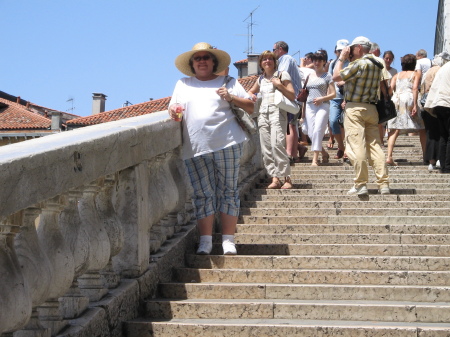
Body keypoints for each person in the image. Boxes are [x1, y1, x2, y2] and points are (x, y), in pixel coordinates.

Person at [168, 42, 254, 255]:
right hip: (195, 146)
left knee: (229, 191)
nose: (202, 61)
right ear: (192, 64)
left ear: (214, 62)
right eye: (198, 58)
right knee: (202, 194)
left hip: (228, 142)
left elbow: (252, 107)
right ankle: (205, 241)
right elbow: (174, 107)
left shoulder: (228, 81)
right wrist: (172, 110)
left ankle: (228, 240)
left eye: (206, 57)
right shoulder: (183, 83)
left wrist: (230, 97)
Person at [332, 36, 390, 196]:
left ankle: (361, 183)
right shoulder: (378, 63)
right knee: (375, 145)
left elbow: (336, 76)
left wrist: (341, 59)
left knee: (356, 145)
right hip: (372, 108)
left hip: (355, 108)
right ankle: (383, 183)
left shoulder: (358, 64)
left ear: (358, 47)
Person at [248, 50, 295, 189]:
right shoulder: (260, 79)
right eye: (264, 59)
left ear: (275, 62)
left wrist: (279, 85)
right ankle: (274, 178)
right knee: (266, 148)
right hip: (263, 114)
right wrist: (252, 95)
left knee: (277, 145)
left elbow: (292, 94)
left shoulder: (281, 75)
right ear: (261, 63)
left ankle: (287, 178)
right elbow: (251, 91)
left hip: (277, 112)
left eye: (270, 59)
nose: (267, 61)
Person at [386, 54, 426, 166]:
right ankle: (425, 156)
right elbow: (415, 88)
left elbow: (390, 91)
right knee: (422, 128)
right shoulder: (416, 74)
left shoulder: (396, 75)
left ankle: (389, 156)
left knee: (394, 129)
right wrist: (414, 105)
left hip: (397, 100)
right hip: (409, 98)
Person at [302, 50, 336, 166]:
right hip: (309, 105)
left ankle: (315, 159)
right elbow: (305, 94)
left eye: (320, 60)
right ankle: (324, 153)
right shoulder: (309, 76)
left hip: (323, 105)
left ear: (324, 62)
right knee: (311, 133)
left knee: (317, 130)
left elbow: (333, 94)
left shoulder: (327, 76)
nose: (317, 63)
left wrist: (322, 98)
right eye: (315, 60)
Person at [273, 41, 303, 164]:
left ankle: (290, 154)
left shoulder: (285, 58)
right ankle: (295, 152)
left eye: (274, 49)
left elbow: (280, 74)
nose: (273, 52)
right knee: (292, 125)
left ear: (280, 49)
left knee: (289, 126)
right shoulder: (290, 59)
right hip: (294, 98)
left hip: (290, 98)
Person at [421, 52, 450, 170]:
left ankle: (443, 166)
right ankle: (448, 165)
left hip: (438, 104)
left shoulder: (443, 68)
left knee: (443, 135)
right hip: (447, 103)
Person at [328, 39, 349, 159]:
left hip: (349, 96)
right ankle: (341, 147)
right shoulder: (333, 63)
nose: (340, 53)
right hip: (335, 96)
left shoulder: (352, 62)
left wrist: (344, 81)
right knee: (333, 122)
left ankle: (347, 150)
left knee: (348, 124)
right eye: (338, 50)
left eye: (342, 50)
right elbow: (331, 79)